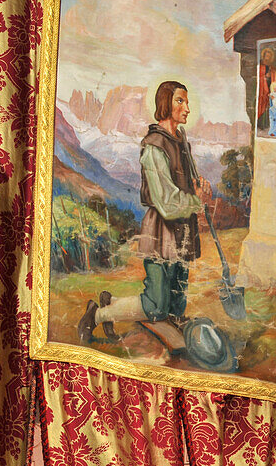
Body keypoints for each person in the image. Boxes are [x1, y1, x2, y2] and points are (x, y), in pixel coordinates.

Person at [78, 80, 213, 342]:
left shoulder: (180, 140)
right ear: (166, 104)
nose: (187, 108)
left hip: (182, 230)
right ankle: (97, 315)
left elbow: (186, 181)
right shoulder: (154, 146)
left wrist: (200, 188)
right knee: (156, 307)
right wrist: (197, 201)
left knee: (175, 302)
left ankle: (112, 302)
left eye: (186, 101)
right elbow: (164, 201)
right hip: (162, 232)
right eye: (180, 101)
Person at [256, 47, 276, 131]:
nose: (267, 57)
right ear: (263, 56)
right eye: (266, 56)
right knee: (261, 104)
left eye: (269, 56)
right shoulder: (260, 65)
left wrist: (270, 76)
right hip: (262, 88)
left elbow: (274, 77)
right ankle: (260, 124)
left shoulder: (271, 67)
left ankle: (266, 124)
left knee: (268, 105)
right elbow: (259, 76)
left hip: (269, 86)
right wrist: (264, 77)